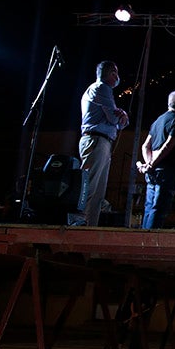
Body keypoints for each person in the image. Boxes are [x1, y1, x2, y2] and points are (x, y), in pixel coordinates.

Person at [71, 60, 129, 226]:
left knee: (97, 191)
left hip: (100, 141)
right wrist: (120, 116)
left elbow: (120, 120)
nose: (117, 77)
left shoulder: (97, 89)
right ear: (112, 74)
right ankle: (79, 224)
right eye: (116, 73)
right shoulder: (102, 88)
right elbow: (114, 117)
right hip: (96, 140)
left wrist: (121, 116)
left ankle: (89, 227)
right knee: (90, 186)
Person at [136, 90, 175, 229]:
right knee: (159, 208)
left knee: (149, 206)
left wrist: (149, 163)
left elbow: (145, 145)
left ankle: (142, 241)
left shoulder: (158, 121)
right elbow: (168, 146)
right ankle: (150, 244)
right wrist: (153, 163)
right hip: (167, 170)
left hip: (153, 171)